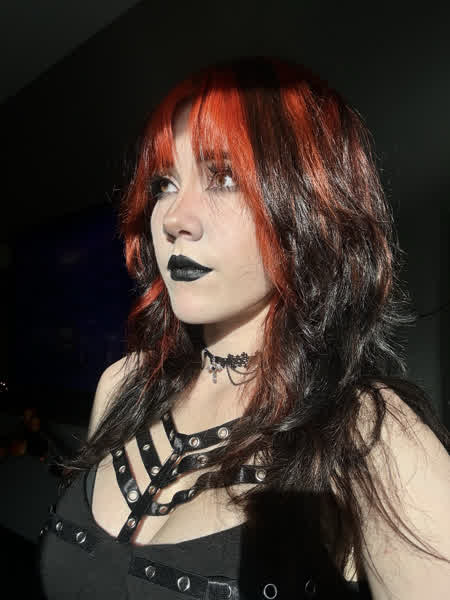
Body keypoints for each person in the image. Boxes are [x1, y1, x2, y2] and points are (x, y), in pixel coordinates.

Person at [38, 57, 450, 599]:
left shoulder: (372, 435)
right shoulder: (123, 385)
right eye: (164, 183)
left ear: (310, 203)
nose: (173, 218)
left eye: (224, 177)